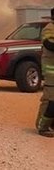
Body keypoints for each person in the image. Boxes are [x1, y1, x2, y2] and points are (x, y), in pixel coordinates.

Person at [35, 8, 54, 137]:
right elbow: (49, 44)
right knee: (51, 100)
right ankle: (42, 126)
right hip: (52, 72)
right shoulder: (49, 28)